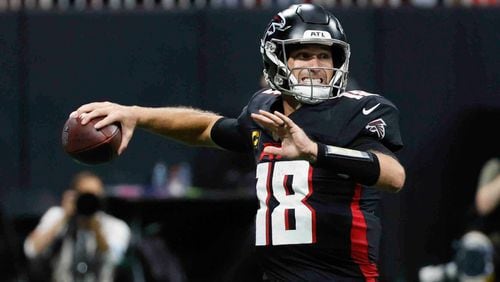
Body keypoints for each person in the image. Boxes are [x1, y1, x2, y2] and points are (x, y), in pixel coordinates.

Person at [69, 3, 405, 281]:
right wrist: (136, 114)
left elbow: (393, 175)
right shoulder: (264, 107)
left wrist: (315, 151)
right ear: (277, 59)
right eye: (302, 55)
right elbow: (205, 128)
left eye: (324, 56)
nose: (315, 66)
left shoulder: (360, 108)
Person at [24, 171, 131, 282]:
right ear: (73, 196)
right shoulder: (57, 216)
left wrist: (96, 228)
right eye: (84, 196)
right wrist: (64, 217)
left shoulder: (116, 226)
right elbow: (31, 250)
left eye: (94, 197)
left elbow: (113, 260)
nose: (89, 202)